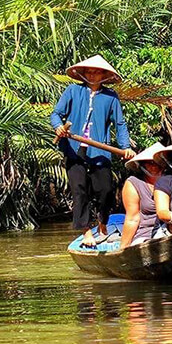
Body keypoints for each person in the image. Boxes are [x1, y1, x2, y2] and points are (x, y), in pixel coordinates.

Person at [50, 54, 135, 247]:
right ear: (83, 73)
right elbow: (56, 114)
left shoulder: (110, 96)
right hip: (74, 149)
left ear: (104, 75)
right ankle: (87, 231)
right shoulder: (73, 91)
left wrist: (126, 147)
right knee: (79, 190)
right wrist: (58, 127)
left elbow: (119, 123)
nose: (93, 75)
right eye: (89, 71)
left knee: (105, 189)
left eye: (97, 72)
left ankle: (103, 225)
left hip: (99, 150)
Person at [119, 142, 166, 248]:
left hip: (169, 229)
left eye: (157, 163)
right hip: (146, 234)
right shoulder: (134, 183)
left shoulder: (171, 180)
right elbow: (132, 218)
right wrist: (123, 248)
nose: (154, 166)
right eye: (149, 163)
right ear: (143, 164)